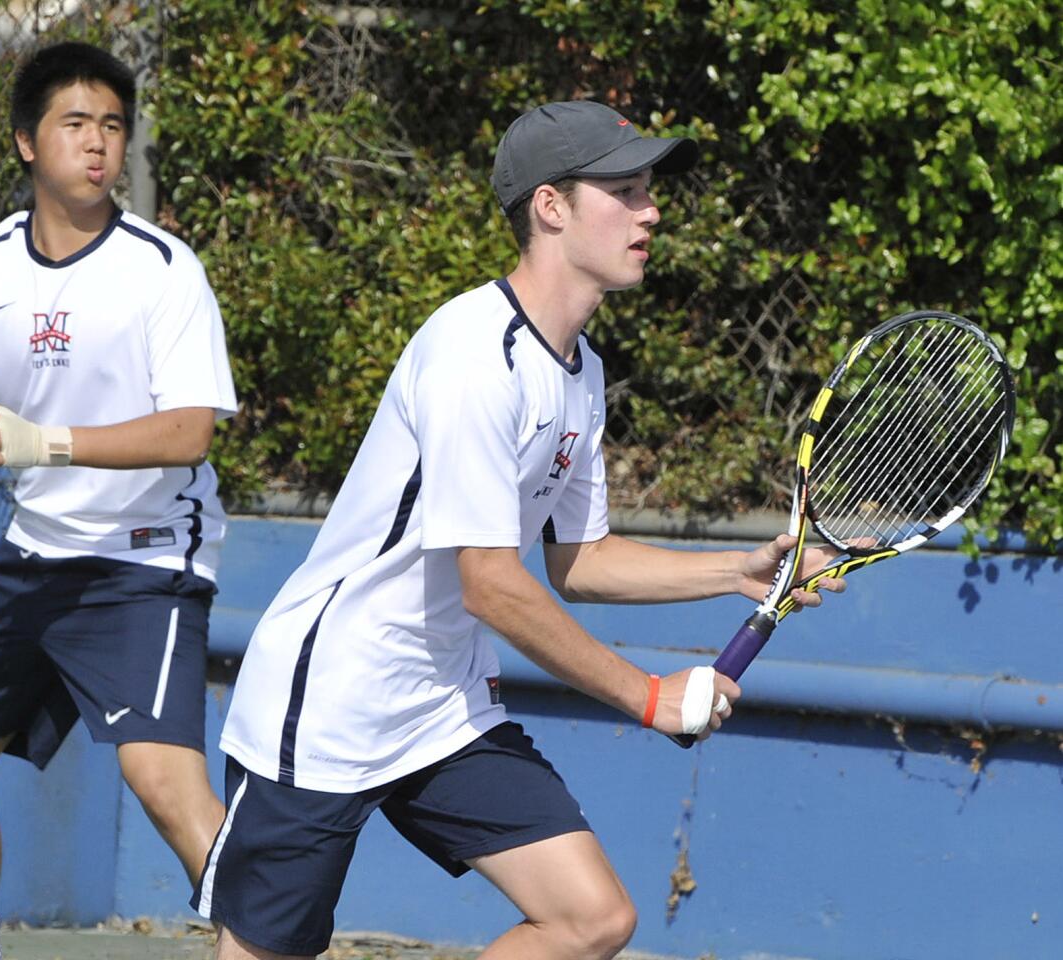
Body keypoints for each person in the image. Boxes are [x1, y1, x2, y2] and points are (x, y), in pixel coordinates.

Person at [191, 100, 845, 960]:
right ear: (550, 207)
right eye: (623, 189)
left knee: (590, 920)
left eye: (649, 189)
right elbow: (489, 581)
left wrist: (736, 571)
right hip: (328, 706)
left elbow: (580, 559)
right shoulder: (473, 356)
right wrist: (648, 695)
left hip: (442, 708)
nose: (650, 210)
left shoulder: (581, 371)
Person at [0, 42, 237, 960]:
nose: (99, 143)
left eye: (113, 126)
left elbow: (188, 432)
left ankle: (276, 948)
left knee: (167, 785)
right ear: (25, 142)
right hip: (35, 551)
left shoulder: (164, 269)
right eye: (75, 123)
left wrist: (36, 442)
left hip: (147, 556)